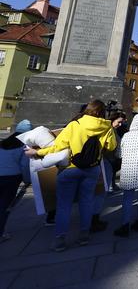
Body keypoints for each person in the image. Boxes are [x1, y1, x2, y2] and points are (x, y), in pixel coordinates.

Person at [25, 100, 117, 252]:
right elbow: (111, 147)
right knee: (86, 202)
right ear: (102, 112)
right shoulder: (106, 126)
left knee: (64, 205)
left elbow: (57, 147)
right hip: (92, 169)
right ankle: (84, 236)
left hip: (70, 168)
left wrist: (37, 152)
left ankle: (60, 239)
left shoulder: (75, 125)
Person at [91, 111, 127, 233]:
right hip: (104, 162)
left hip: (106, 162)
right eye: (119, 122)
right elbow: (112, 148)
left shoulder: (111, 129)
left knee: (98, 193)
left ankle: (92, 219)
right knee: (100, 193)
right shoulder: (108, 130)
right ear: (113, 120)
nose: (120, 124)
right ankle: (93, 220)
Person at [0, 120, 32, 243]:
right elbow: (24, 166)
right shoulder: (23, 147)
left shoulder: (3, 143)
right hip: (11, 178)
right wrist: (27, 180)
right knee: (4, 206)